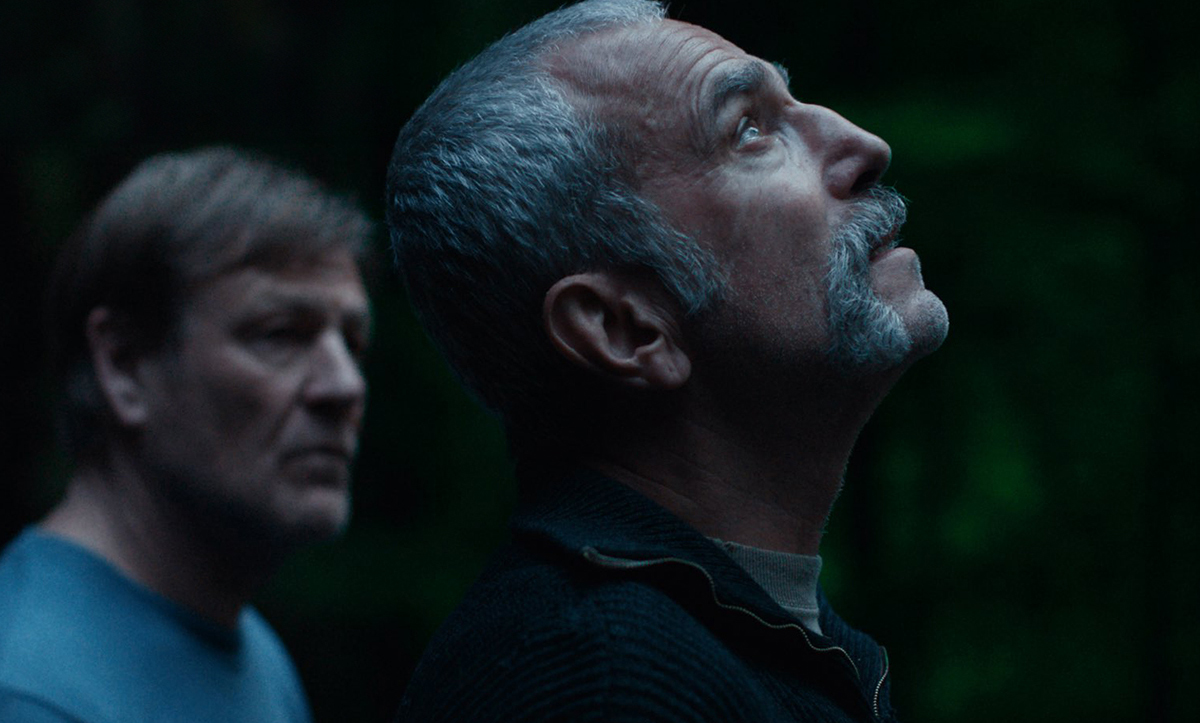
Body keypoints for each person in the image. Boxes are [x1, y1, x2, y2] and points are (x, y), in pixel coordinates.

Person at [387, 0, 948, 720]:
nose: (865, 145)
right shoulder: (603, 683)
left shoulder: (736, 634)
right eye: (749, 129)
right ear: (625, 328)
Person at [0, 147, 372, 722]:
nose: (345, 386)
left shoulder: (255, 654)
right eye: (280, 334)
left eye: (353, 342)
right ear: (124, 366)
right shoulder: (30, 692)